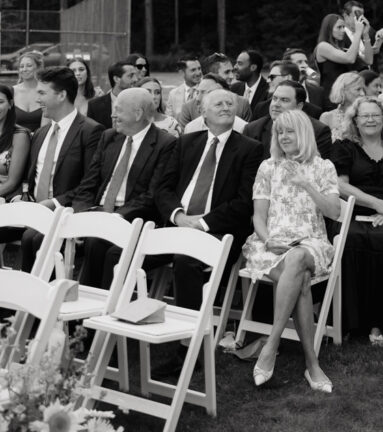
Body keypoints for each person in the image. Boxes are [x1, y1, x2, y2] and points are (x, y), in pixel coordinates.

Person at [243, 110, 340, 392]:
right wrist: (267, 239)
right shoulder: (268, 167)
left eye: (289, 131)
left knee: (297, 257)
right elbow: (258, 217)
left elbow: (333, 211)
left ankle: (270, 345)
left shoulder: (324, 167)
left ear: (304, 134)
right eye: (279, 132)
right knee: (301, 281)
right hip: (270, 244)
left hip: (312, 243)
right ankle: (312, 365)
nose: (283, 137)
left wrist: (307, 184)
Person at [154, 88, 264, 311]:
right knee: (119, 253)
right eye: (218, 104)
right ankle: (109, 328)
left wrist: (202, 223)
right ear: (203, 114)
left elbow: (243, 203)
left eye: (229, 104)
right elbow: (162, 188)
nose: (226, 107)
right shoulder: (186, 143)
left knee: (186, 261)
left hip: (219, 230)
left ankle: (189, 338)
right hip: (178, 225)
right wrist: (179, 217)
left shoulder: (249, 149)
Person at [330, 96, 383, 345]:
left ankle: (381, 323)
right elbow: (340, 185)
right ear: (355, 121)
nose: (370, 120)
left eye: (375, 115)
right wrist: (374, 203)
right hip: (353, 213)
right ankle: (348, 321)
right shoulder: (344, 147)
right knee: (350, 240)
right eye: (364, 116)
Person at [74, 87, 176, 286]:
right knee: (39, 237)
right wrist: (80, 215)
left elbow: (152, 194)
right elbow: (89, 183)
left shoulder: (165, 144)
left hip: (131, 217)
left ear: (138, 114)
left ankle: (98, 306)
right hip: (97, 212)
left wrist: (116, 217)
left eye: (118, 110)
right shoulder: (109, 137)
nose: (113, 114)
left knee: (96, 242)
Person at [15, 67, 103, 271]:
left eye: (42, 93)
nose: (37, 100)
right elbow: (30, 176)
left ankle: (39, 297)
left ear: (62, 95)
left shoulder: (90, 131)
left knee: (33, 238)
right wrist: (22, 196)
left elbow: (90, 183)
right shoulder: (41, 133)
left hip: (65, 213)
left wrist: (53, 203)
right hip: (31, 210)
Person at [244, 82, 332, 159]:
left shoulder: (318, 131)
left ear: (299, 106)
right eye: (274, 99)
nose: (276, 104)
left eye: (284, 100)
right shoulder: (252, 129)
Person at [314, 13, 371, 104]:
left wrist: (365, 35)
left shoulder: (342, 49)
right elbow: (350, 59)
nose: (343, 30)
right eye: (339, 27)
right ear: (329, 29)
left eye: (344, 27)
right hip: (331, 98)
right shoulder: (323, 46)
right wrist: (357, 33)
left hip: (347, 97)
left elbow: (368, 60)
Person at [181, 75, 248, 134]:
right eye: (197, 92)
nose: (197, 98)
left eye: (204, 92)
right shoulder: (191, 128)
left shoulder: (242, 128)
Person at [87, 59, 140, 129]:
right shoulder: (95, 106)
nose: (135, 79)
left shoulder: (140, 102)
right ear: (116, 79)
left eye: (135, 75)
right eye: (131, 76)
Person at [0, 83, 30, 200]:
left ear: (10, 104)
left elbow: (12, 183)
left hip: (7, 197)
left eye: (0, 102)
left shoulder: (20, 135)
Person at [320, 72, 366, 141]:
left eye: (363, 90)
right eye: (358, 89)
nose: (363, 94)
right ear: (343, 91)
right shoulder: (327, 117)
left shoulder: (369, 115)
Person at [12, 50, 45, 131]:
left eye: (29, 66)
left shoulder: (45, 90)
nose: (24, 69)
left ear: (38, 67)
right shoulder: (12, 91)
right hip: (15, 140)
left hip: (41, 139)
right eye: (21, 66)